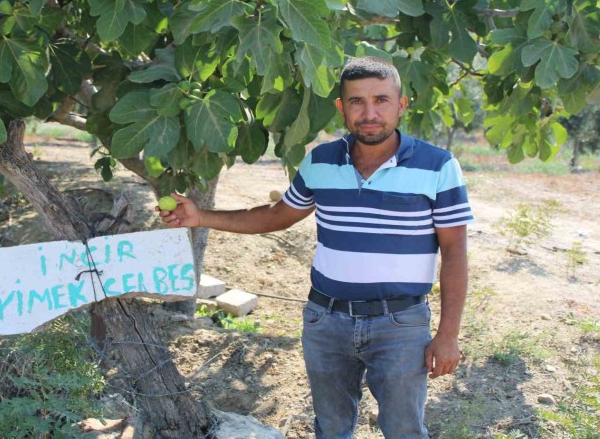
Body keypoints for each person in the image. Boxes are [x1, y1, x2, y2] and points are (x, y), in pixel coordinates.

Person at [157, 57, 473, 439]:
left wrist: (448, 334)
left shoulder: (438, 166)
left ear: (401, 104)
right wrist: (201, 216)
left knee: (404, 430)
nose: (369, 113)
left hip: (400, 324)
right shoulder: (320, 160)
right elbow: (277, 215)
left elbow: (454, 252)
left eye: (381, 100)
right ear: (341, 107)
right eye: (356, 101)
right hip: (327, 321)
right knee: (331, 428)